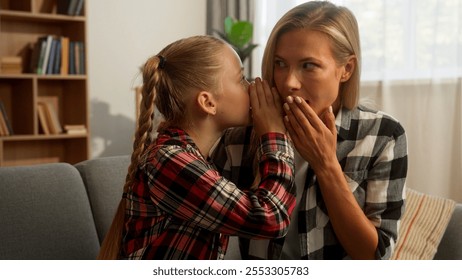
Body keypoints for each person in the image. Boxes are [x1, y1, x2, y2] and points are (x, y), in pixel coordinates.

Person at [211, 1, 408, 260]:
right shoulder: (240, 136)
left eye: (309, 65)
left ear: (346, 69)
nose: (289, 82)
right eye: (280, 63)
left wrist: (326, 165)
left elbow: (375, 257)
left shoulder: (383, 135)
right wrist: (271, 138)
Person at [97, 35, 296, 260]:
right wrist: (275, 135)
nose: (251, 87)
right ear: (208, 103)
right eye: (241, 79)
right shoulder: (170, 161)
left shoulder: (196, 157)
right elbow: (270, 219)